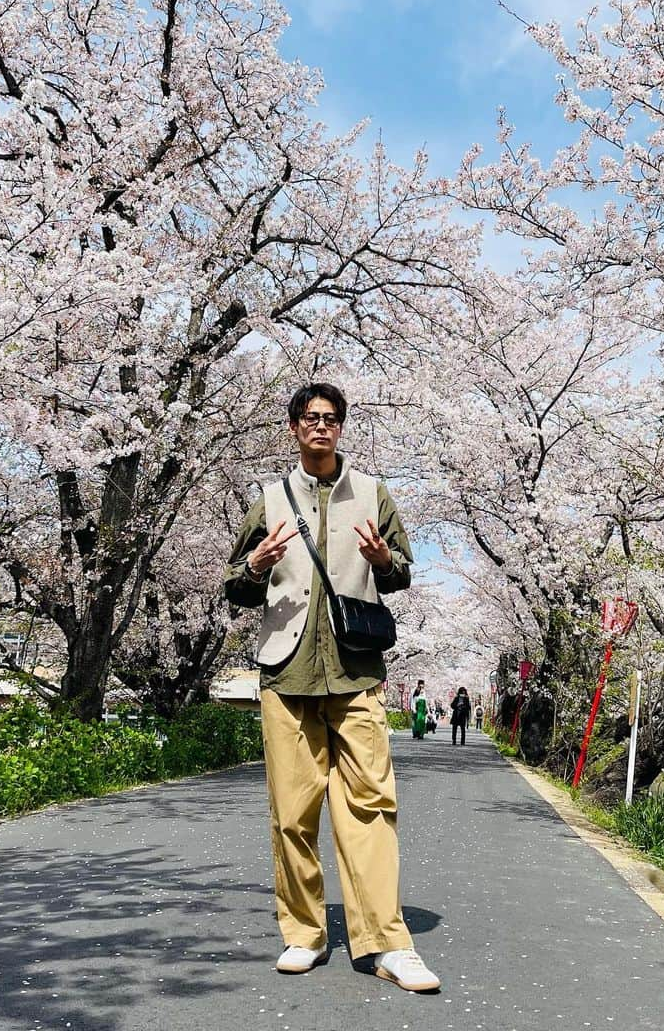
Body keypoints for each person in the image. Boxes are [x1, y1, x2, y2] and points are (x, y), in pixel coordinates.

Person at [224, 383, 440, 993]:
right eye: (310, 418)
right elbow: (233, 587)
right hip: (286, 673)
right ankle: (304, 933)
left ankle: (387, 942)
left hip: (356, 673)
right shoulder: (269, 499)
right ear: (294, 427)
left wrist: (382, 560)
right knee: (293, 813)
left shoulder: (373, 493)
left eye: (331, 419)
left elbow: (399, 576)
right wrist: (256, 567)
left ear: (341, 428)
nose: (321, 427)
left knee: (371, 806)